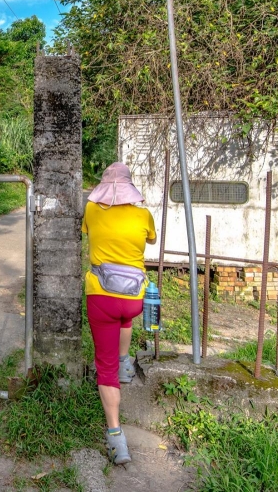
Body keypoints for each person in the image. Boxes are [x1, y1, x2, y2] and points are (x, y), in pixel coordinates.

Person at [81, 161, 157, 465]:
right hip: (133, 297)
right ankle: (126, 364)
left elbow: (85, 231)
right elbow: (151, 239)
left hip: (102, 295)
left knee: (105, 367)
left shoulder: (91, 210)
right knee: (124, 317)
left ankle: (116, 439)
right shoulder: (144, 215)